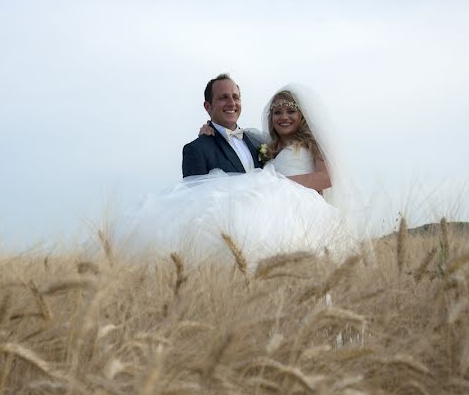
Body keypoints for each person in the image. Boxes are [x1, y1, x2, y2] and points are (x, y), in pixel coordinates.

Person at [117, 81, 358, 264]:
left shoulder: (297, 144)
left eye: (290, 112)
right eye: (277, 113)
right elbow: (192, 203)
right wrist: (208, 131)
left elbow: (326, 178)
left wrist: (276, 182)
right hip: (252, 233)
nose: (284, 117)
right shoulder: (266, 146)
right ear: (208, 106)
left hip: (302, 218)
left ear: (302, 116)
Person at [182, 74, 266, 177]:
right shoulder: (196, 150)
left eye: (236, 97)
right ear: (208, 106)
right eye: (223, 97)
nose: (232, 103)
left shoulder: (257, 141)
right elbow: (194, 192)